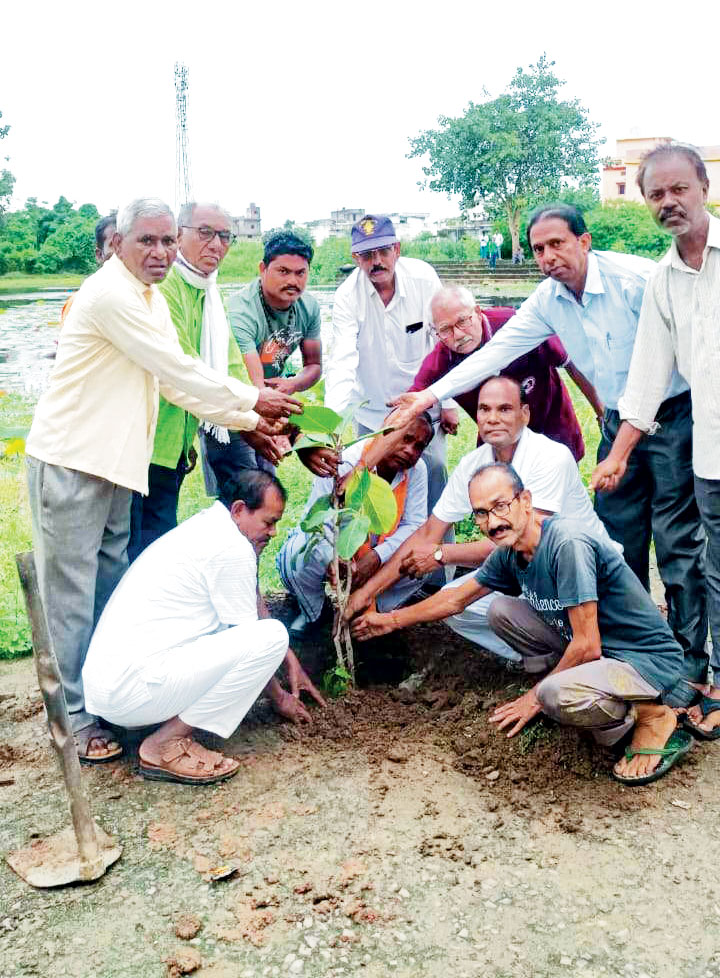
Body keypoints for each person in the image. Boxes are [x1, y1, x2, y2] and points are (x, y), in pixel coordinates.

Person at [387, 203, 708, 696]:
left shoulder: (638, 280)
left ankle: (685, 660)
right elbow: (495, 353)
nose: (548, 256)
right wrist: (430, 397)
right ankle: (630, 645)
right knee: (616, 536)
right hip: (620, 420)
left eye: (557, 243)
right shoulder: (547, 301)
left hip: (672, 414)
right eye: (538, 248)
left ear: (584, 240)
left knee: (675, 540)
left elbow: (695, 339)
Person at [25, 197, 301, 763]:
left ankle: (103, 700)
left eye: (165, 242)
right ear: (117, 244)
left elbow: (181, 380)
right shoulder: (111, 296)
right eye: (147, 242)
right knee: (70, 595)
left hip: (119, 465)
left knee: (108, 583)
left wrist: (250, 418)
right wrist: (254, 400)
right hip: (73, 460)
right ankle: (75, 719)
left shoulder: (149, 297)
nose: (159, 252)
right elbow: (175, 371)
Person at [353, 463, 691, 786]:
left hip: (642, 660)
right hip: (599, 652)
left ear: (525, 501)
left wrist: (534, 699)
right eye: (482, 513)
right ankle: (572, 690)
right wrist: (390, 620)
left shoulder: (566, 545)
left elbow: (588, 645)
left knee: (552, 694)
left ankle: (649, 716)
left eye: (501, 506)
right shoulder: (510, 551)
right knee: (501, 610)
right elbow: (456, 599)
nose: (493, 521)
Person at [343, 376, 614, 662]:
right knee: (458, 608)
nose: (493, 418)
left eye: (504, 409)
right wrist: (367, 593)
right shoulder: (474, 464)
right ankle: (546, 656)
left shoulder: (550, 457)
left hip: (585, 575)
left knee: (465, 600)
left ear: (525, 414)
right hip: (531, 578)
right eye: (484, 410)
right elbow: (426, 534)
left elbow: (516, 543)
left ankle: (583, 650)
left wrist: (441, 554)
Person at [83, 470, 325, 784]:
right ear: (239, 509)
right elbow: (255, 641)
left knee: (265, 637)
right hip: (131, 693)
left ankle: (156, 722)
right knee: (274, 635)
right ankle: (164, 743)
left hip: (111, 692)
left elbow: (248, 599)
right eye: (269, 522)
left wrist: (289, 660)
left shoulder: (210, 528)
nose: (274, 532)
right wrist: (280, 698)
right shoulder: (231, 549)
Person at [592, 143, 720, 735]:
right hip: (711, 456)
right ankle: (709, 677)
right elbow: (644, 381)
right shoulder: (663, 281)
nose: (670, 202)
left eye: (679, 189)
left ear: (704, 187)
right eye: (657, 194)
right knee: (712, 568)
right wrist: (617, 456)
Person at [128, 201, 253, 560]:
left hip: (176, 442)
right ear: (179, 236)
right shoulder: (165, 288)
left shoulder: (208, 291)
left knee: (158, 532)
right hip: (147, 441)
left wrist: (257, 406)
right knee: (142, 543)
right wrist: (253, 413)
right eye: (205, 233)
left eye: (225, 236)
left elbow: (230, 362)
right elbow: (184, 367)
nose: (216, 244)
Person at [320, 215, 451, 516]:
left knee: (434, 475)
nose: (376, 261)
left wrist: (450, 400)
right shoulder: (346, 297)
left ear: (397, 249)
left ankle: (438, 558)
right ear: (356, 258)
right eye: (367, 255)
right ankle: (378, 557)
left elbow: (442, 340)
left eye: (383, 252)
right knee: (373, 485)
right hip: (373, 411)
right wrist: (333, 425)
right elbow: (341, 360)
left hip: (423, 407)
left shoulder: (423, 278)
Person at [277, 414, 434, 633]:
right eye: (405, 439)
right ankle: (315, 612)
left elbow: (415, 525)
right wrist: (339, 557)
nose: (410, 450)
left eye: (419, 446)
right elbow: (318, 520)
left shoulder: (417, 471)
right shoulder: (345, 460)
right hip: (336, 549)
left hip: (377, 553)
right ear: (385, 433)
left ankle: (372, 611)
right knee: (303, 551)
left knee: (421, 560)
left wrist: (376, 557)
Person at [410, 285, 586, 461]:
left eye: (463, 321)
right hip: (498, 443)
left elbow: (570, 362)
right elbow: (412, 401)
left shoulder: (517, 325)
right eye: (445, 329)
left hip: (552, 427)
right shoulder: (442, 359)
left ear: (478, 312)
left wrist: (601, 414)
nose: (457, 335)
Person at [203, 230, 323, 486]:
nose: (293, 281)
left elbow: (314, 365)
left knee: (266, 482)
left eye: (300, 273)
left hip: (270, 405)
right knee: (244, 488)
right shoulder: (241, 310)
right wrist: (293, 435)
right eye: (283, 271)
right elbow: (255, 388)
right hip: (233, 405)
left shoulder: (309, 307)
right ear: (262, 268)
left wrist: (292, 385)